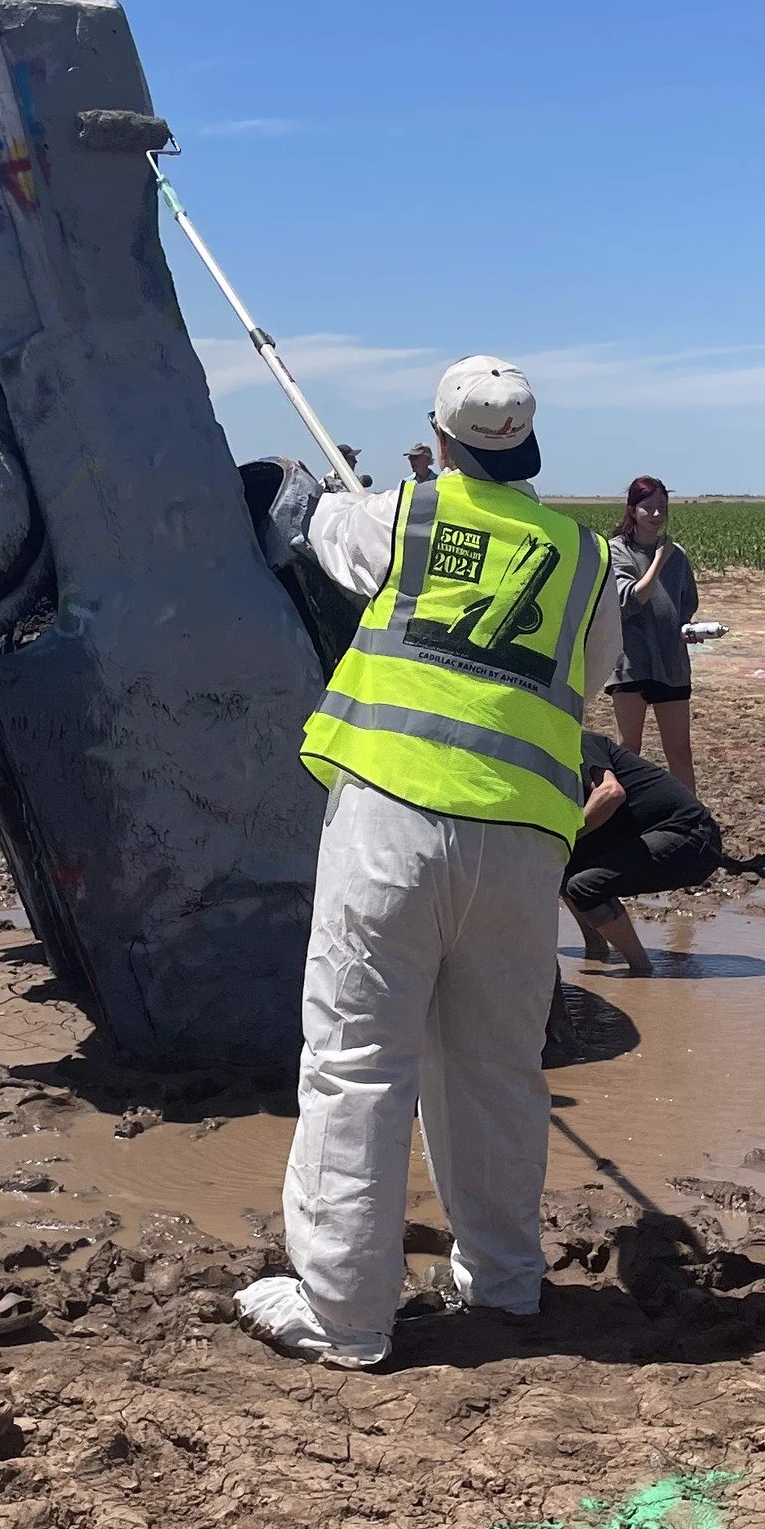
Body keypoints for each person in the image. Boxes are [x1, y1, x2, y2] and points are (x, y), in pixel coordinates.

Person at [235, 356, 622, 1368]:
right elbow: (595, 669)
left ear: (439, 438)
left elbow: (308, 528)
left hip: (393, 821)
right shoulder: (584, 558)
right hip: (524, 837)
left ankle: (343, 1314)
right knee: (495, 1066)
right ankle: (502, 1280)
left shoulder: (399, 517)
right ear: (526, 446)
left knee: (358, 1063)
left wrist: (317, 489)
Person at [562, 729, 722, 974]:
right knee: (560, 864)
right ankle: (596, 948)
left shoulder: (578, 741)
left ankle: (640, 968)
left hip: (692, 837)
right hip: (656, 835)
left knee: (584, 885)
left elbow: (611, 793)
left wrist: (568, 838)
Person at [605, 477, 699, 791]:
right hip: (631, 663)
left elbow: (686, 605)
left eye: (662, 507)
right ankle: (620, 820)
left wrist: (688, 630)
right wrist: (658, 559)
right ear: (632, 510)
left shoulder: (679, 556)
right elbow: (631, 600)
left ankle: (690, 821)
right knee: (628, 751)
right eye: (649, 508)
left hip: (671, 664)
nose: (657, 515)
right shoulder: (617, 551)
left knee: (679, 752)